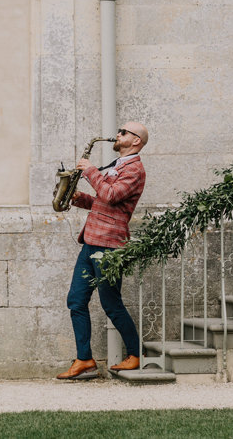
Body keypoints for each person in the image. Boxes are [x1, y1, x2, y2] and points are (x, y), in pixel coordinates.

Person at [57, 123, 148, 380]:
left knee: (111, 304)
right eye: (119, 132)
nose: (118, 135)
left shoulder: (135, 170)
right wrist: (77, 197)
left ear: (136, 141)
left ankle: (135, 354)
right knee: (76, 301)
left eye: (124, 132)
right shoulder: (116, 165)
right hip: (91, 241)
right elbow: (102, 203)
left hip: (109, 246)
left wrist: (90, 171)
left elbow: (110, 195)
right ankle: (84, 359)